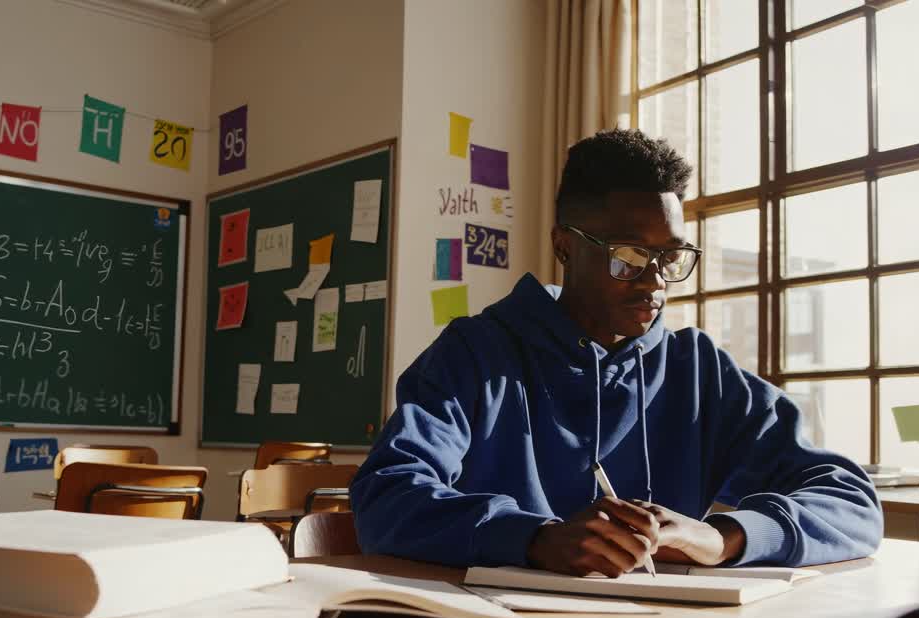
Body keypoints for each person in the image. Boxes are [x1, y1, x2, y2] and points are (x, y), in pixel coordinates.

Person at [350, 129, 882, 576]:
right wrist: (533, 538)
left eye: (670, 256)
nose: (655, 280)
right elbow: (386, 496)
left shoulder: (699, 372)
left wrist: (721, 537)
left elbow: (852, 501)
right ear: (564, 246)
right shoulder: (476, 354)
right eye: (628, 255)